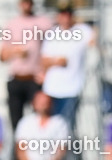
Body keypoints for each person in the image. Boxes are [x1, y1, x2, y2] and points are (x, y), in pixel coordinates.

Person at [39, 0, 94, 135]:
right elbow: (43, 60)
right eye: (63, 14)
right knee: (53, 128)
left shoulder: (82, 31)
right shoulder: (52, 33)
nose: (66, 17)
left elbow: (94, 43)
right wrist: (56, 62)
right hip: (52, 89)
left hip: (72, 89)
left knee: (68, 128)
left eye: (68, 13)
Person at [1, 0, 52, 132]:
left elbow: (53, 48)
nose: (26, 5)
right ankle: (19, 145)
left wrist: (46, 73)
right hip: (17, 78)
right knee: (16, 121)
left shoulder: (44, 22)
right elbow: (2, 55)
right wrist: (15, 52)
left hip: (35, 78)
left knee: (39, 119)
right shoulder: (11, 24)